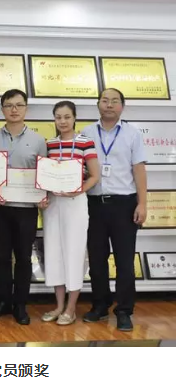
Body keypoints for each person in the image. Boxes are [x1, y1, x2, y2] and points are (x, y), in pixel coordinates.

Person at [81, 88, 147, 331]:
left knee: (125, 261)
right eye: (105, 100)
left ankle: (124, 310)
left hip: (124, 204)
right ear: (98, 104)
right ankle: (100, 305)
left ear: (122, 106)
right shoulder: (86, 133)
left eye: (114, 101)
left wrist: (142, 203)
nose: (109, 105)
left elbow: (139, 170)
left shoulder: (132, 134)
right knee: (97, 259)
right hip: (94, 205)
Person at [0, 89, 48, 325]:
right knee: (1, 257)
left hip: (26, 208)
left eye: (19, 105)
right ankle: (3, 301)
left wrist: (42, 195)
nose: (14, 109)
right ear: (2, 109)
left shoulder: (38, 141)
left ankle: (20, 304)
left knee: (23, 257)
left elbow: (43, 175)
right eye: (9, 105)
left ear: (26, 109)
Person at [41, 101, 100, 326]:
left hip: (75, 203)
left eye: (67, 117)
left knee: (74, 253)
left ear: (74, 118)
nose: (63, 121)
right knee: (54, 253)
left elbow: (95, 176)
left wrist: (78, 190)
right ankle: (58, 306)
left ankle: (71, 308)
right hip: (53, 204)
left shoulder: (85, 142)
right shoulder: (49, 144)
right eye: (58, 117)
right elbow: (44, 176)